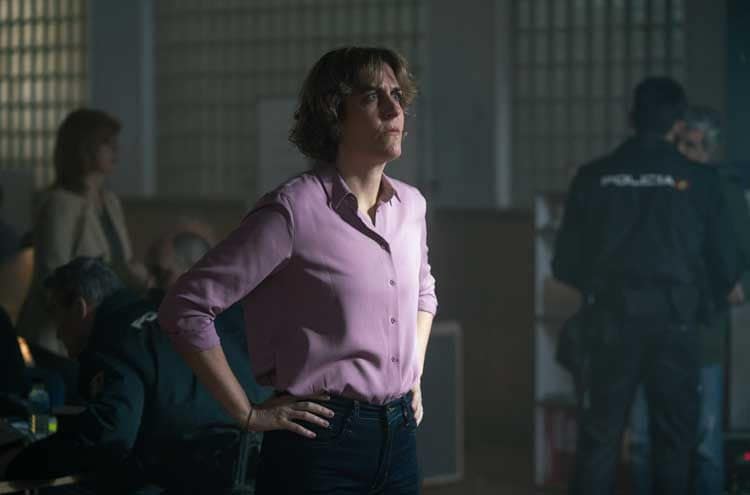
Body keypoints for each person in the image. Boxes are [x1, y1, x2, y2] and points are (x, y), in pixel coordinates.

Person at [159, 46, 438, 494]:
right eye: (372, 96)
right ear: (334, 114)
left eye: (397, 95)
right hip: (321, 442)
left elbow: (424, 293)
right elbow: (186, 306)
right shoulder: (293, 210)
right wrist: (246, 412)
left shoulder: (412, 206)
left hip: (400, 436)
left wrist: (413, 373)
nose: (394, 109)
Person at [553, 77, 739, 495]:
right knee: (674, 445)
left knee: (599, 441)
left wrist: (604, 288)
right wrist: (696, 298)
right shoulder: (701, 181)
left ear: (631, 118)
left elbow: (564, 262)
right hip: (676, 324)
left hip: (609, 323)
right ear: (678, 124)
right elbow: (726, 266)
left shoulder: (594, 177)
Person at [6, 257, 260, 494]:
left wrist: (19, 464)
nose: (58, 333)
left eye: (55, 315)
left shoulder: (113, 340)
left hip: (199, 476)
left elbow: (110, 435)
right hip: (255, 466)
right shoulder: (168, 312)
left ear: (79, 307)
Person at [628, 106, 750, 495]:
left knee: (705, 441)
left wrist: (734, 284)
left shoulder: (724, 192)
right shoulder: (657, 186)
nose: (689, 153)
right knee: (644, 439)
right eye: (683, 144)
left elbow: (741, 257)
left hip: (703, 331)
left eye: (697, 146)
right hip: (653, 327)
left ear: (710, 151)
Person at [16, 108, 150, 356]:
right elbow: (52, 278)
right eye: (106, 142)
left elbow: (122, 263)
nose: (116, 149)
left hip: (99, 332)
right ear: (84, 148)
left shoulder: (110, 201)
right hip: (58, 339)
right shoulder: (59, 204)